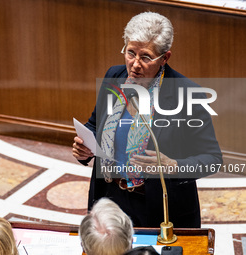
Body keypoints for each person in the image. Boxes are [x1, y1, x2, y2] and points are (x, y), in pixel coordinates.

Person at [73, 12, 222, 228]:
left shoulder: (188, 93)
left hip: (160, 208)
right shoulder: (114, 77)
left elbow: (212, 158)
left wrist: (174, 166)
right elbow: (95, 125)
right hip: (109, 199)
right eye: (130, 53)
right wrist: (83, 149)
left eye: (145, 57)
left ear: (165, 58)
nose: (134, 64)